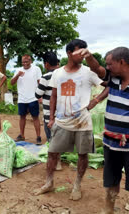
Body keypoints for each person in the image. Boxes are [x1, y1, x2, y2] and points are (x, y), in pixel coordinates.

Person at [34, 39, 105, 201]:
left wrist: (96, 100)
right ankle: (49, 183)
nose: (82, 55)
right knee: (52, 153)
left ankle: (77, 185)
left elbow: (105, 80)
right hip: (61, 122)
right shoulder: (58, 73)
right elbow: (53, 96)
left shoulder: (88, 71)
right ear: (69, 53)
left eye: (84, 51)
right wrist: (51, 118)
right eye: (79, 51)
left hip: (83, 123)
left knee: (82, 155)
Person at [77, 47, 129, 213]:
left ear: (122, 62)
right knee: (111, 179)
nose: (107, 67)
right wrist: (89, 57)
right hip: (110, 142)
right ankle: (109, 208)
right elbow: (97, 69)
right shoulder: (113, 80)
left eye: (110, 64)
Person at [35, 52, 62, 170]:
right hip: (63, 113)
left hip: (49, 114)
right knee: (59, 137)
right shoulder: (64, 74)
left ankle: (56, 162)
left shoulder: (46, 77)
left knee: (51, 138)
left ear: (46, 64)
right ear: (57, 62)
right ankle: (59, 161)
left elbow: (37, 94)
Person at [11, 54, 42, 144]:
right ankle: (22, 135)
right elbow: (12, 82)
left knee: (35, 117)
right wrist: (17, 75)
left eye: (26, 62)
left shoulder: (36, 69)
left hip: (33, 97)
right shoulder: (18, 70)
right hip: (22, 98)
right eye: (23, 62)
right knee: (22, 117)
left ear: (30, 61)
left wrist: (40, 96)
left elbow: (39, 82)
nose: (25, 63)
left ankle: (38, 137)